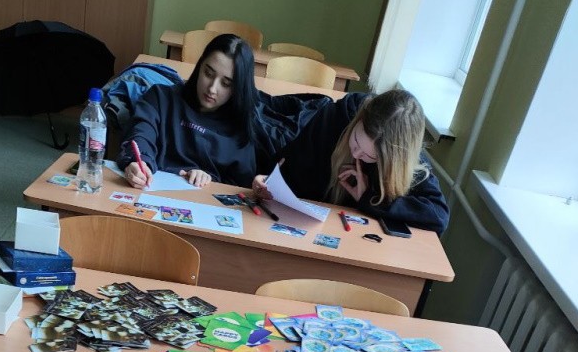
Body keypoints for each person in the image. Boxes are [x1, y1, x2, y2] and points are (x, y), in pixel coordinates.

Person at [253, 90, 449, 234]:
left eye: (369, 156)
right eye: (355, 140)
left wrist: (370, 199)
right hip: (304, 228)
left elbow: (438, 216)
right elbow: (289, 167)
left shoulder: (409, 163)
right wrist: (267, 181)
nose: (356, 153)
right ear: (358, 119)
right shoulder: (332, 118)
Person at [116, 33, 261, 189]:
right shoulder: (160, 98)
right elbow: (141, 134)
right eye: (208, 74)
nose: (212, 88)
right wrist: (140, 162)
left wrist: (210, 180)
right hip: (147, 189)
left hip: (202, 202)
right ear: (199, 66)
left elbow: (238, 191)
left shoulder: (240, 129)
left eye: (226, 84)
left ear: (238, 87)